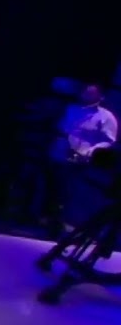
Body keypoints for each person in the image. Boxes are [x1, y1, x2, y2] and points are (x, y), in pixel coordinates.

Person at [44, 84, 117, 230]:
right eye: (85, 92)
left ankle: (60, 222)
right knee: (52, 187)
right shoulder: (72, 109)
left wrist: (91, 151)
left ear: (101, 96)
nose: (86, 95)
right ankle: (48, 218)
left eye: (91, 93)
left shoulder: (106, 117)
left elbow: (109, 140)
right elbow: (62, 129)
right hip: (59, 154)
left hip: (80, 158)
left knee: (67, 189)